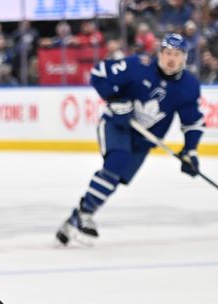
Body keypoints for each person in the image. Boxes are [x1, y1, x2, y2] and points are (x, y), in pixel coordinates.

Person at [56, 33, 204, 246]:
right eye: (168, 53)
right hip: (117, 125)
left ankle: (75, 218)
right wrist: (115, 98)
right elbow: (99, 73)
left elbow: (192, 121)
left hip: (143, 140)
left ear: (184, 58)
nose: (171, 58)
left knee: (115, 178)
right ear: (159, 53)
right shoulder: (137, 66)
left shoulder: (188, 85)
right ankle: (84, 215)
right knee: (117, 161)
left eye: (177, 54)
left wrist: (191, 150)